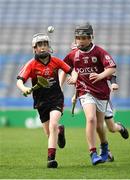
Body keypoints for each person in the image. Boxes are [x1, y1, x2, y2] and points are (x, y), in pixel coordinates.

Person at [16, 33, 77, 168]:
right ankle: (60, 131)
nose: (43, 48)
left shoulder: (56, 61)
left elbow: (71, 70)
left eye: (45, 44)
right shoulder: (31, 65)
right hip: (40, 102)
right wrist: (24, 89)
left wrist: (73, 77)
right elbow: (19, 81)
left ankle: (51, 159)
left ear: (49, 47)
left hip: (56, 99)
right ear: (34, 48)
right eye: (39, 45)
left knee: (53, 125)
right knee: (50, 133)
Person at [59, 22, 117, 165]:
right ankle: (93, 153)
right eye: (78, 37)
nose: (81, 40)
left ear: (91, 37)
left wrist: (99, 76)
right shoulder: (73, 54)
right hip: (85, 92)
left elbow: (112, 69)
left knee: (99, 126)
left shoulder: (99, 52)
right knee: (90, 119)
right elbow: (64, 69)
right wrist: (60, 87)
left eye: (84, 38)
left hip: (102, 93)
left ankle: (104, 146)